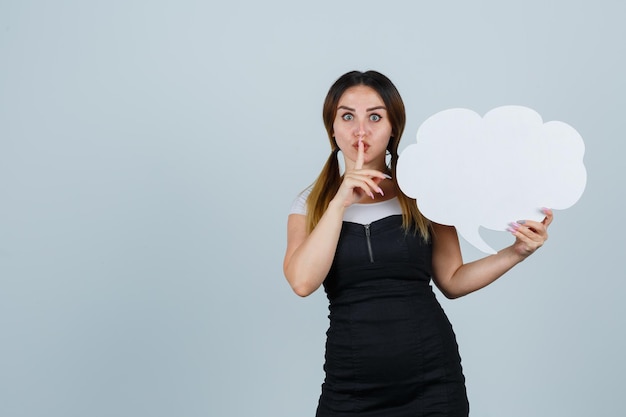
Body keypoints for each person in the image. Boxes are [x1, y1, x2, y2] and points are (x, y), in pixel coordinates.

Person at [283, 70, 552, 417]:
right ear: (332, 128)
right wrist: (339, 204)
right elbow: (303, 282)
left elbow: (452, 280)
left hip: (433, 384)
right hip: (349, 389)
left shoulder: (424, 192)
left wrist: (516, 252)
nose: (360, 130)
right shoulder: (311, 204)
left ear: (394, 127)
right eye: (347, 116)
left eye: (375, 117)